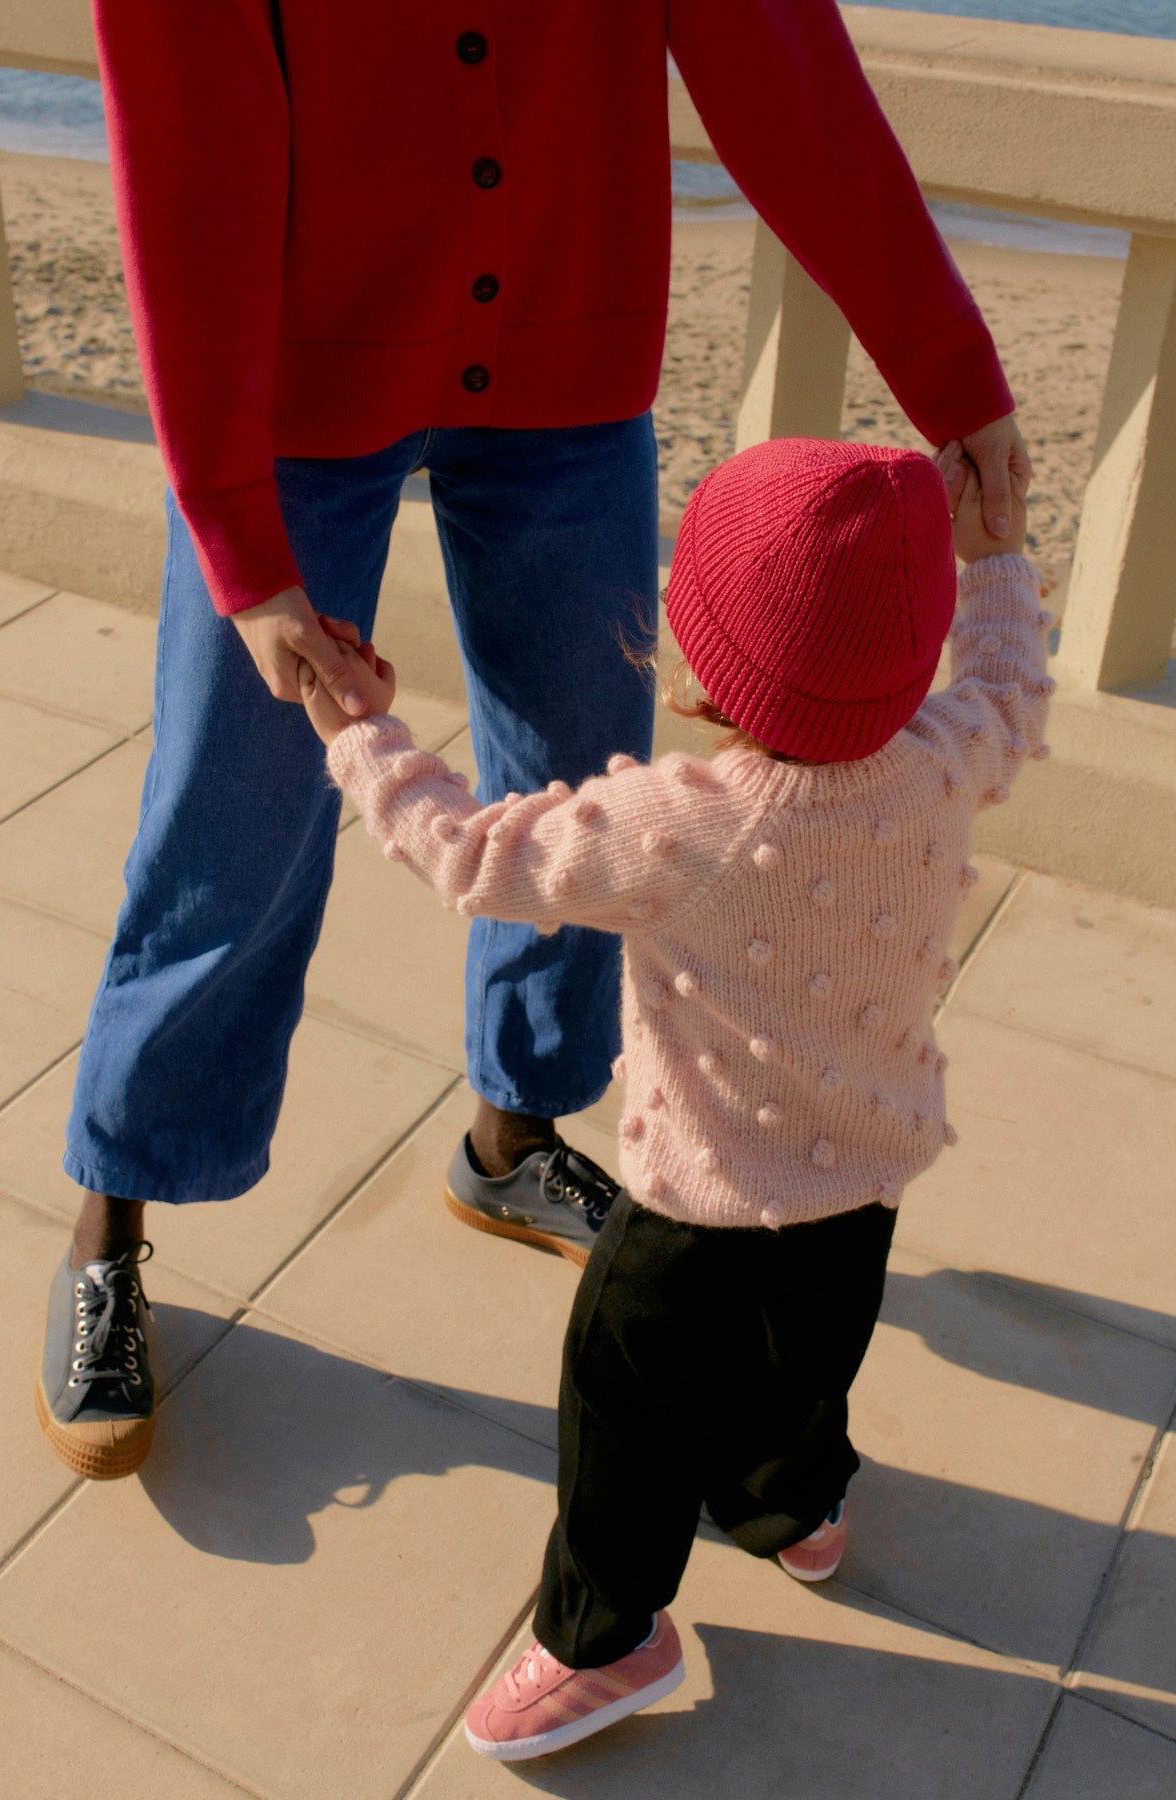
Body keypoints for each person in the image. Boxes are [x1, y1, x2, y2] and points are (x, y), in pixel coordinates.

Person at [37, 0, 1032, 1480]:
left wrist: (950, 375)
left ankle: (509, 1140)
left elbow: (783, 77)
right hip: (290, 395)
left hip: (565, 364)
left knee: (583, 775)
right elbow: (192, 162)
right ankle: (113, 1213)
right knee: (229, 813)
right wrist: (238, 543)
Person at [299, 436, 1052, 1760]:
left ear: (704, 653)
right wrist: (993, 552)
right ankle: (792, 1512)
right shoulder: (949, 755)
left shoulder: (677, 823)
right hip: (869, 1170)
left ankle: (604, 1634)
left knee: (620, 1411)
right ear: (908, 645)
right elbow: (1008, 675)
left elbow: (472, 857)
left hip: (700, 1202)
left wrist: (363, 736)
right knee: (801, 1362)